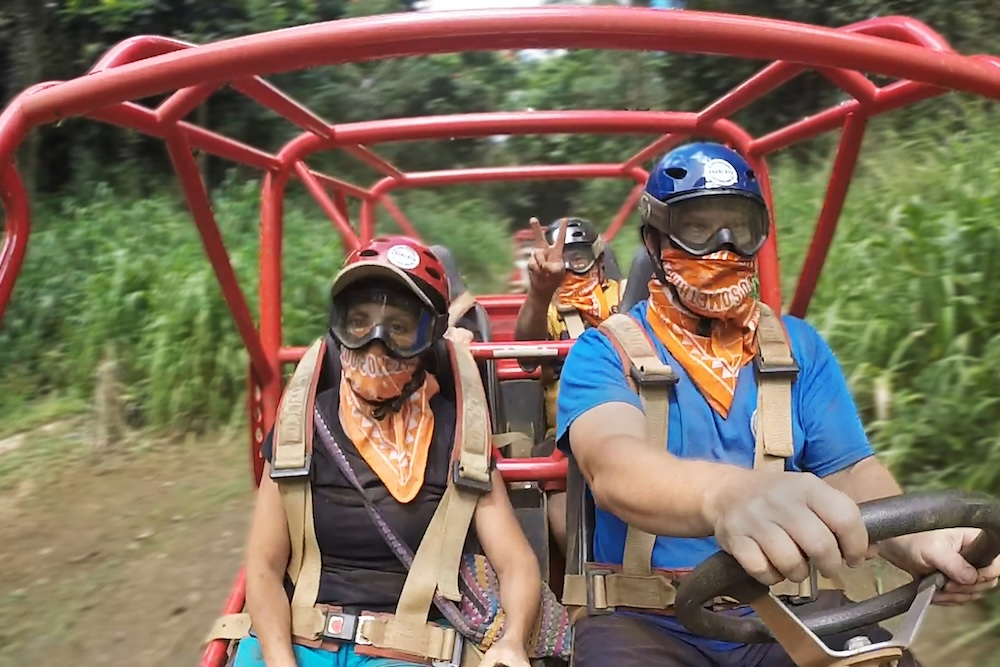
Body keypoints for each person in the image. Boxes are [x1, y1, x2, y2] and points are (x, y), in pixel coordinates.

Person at [555, 142, 1000, 666]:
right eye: (699, 227)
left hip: (785, 608)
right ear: (656, 240)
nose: (722, 246)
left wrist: (917, 540)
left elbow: (851, 471)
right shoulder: (603, 350)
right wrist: (728, 496)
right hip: (646, 619)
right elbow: (614, 467)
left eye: (738, 227)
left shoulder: (796, 347)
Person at [235, 236, 541, 667]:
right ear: (338, 327)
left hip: (407, 646)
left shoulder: (459, 434)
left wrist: (512, 640)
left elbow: (516, 562)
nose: (376, 343)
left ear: (429, 338)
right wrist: (281, 659)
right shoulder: (301, 425)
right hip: (298, 637)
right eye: (360, 322)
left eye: (398, 328)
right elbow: (264, 566)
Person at [513, 216, 624, 557]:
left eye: (578, 258)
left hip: (626, 416)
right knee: (560, 500)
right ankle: (581, 574)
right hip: (566, 430)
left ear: (599, 260)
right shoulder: (548, 308)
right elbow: (526, 356)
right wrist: (542, 289)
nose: (571, 269)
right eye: (562, 260)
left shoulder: (621, 297)